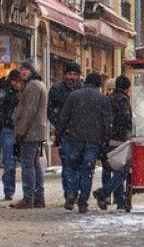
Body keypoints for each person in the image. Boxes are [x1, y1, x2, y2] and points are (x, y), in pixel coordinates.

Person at [57, 71, 112, 213]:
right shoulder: (103, 99)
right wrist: (105, 142)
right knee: (87, 171)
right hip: (93, 141)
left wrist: (59, 135)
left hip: (74, 139)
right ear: (99, 85)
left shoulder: (74, 96)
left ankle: (70, 193)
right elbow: (107, 123)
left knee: (71, 168)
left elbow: (63, 117)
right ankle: (83, 202)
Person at [10, 59, 48, 209]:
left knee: (28, 165)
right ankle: (38, 198)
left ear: (32, 70)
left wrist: (20, 132)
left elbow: (28, 112)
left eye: (25, 69)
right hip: (36, 131)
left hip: (30, 132)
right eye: (21, 70)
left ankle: (29, 198)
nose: (22, 72)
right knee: (35, 164)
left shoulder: (32, 86)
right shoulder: (38, 84)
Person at [93, 76, 132, 210]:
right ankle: (105, 194)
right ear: (127, 88)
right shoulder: (124, 100)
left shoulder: (107, 99)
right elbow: (127, 120)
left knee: (108, 168)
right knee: (122, 170)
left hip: (106, 140)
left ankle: (112, 199)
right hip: (119, 140)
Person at [47, 62, 82, 201]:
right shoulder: (57, 90)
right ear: (65, 74)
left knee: (78, 164)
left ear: (78, 76)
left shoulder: (82, 89)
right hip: (65, 134)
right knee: (67, 164)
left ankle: (75, 191)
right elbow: (50, 111)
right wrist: (61, 124)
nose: (72, 77)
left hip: (80, 133)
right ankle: (69, 193)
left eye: (74, 74)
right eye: (69, 74)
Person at [0, 70, 21, 200]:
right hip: (6, 129)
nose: (18, 85)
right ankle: (9, 190)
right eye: (17, 82)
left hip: (7, 129)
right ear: (12, 81)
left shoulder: (5, 91)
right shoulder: (5, 92)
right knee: (9, 161)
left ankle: (9, 190)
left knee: (9, 160)